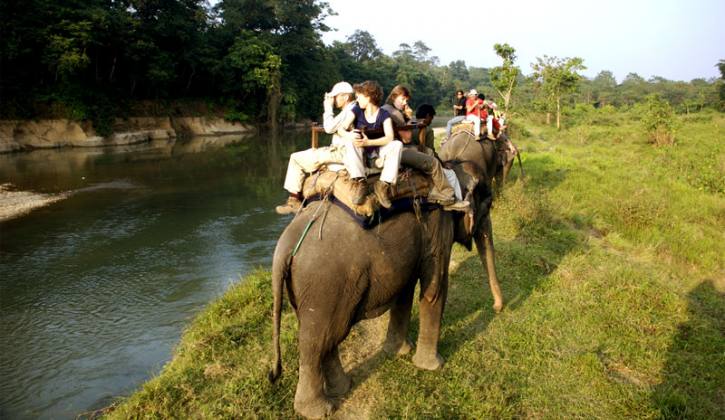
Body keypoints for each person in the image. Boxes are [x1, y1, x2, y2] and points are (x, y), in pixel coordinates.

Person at [275, 81, 365, 214]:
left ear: (345, 97)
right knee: (306, 155)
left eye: (336, 96)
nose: (333, 100)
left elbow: (328, 128)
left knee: (295, 158)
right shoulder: (351, 109)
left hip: (341, 152)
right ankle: (295, 199)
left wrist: (327, 107)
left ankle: (294, 200)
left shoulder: (350, 109)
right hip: (340, 150)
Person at [382, 85, 469, 211]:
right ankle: (449, 197)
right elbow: (407, 139)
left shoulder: (383, 109)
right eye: (403, 99)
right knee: (435, 164)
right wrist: (408, 116)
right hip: (399, 150)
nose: (405, 103)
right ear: (394, 96)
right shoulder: (395, 113)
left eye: (406, 100)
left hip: (388, 149)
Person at [338, 80, 403, 208]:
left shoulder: (384, 114)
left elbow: (390, 137)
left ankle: (383, 185)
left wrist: (369, 142)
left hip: (378, 152)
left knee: (397, 144)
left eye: (359, 97)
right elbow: (341, 128)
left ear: (368, 97)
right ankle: (361, 182)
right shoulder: (357, 110)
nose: (357, 100)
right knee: (350, 141)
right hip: (360, 151)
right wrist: (349, 135)